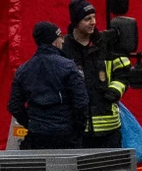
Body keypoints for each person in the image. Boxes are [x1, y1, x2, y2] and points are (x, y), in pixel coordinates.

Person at [62, 0, 132, 148]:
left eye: (94, 17)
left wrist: (114, 91)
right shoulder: (64, 49)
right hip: (78, 130)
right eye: (87, 19)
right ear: (76, 22)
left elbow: (124, 73)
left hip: (109, 128)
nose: (93, 22)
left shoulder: (106, 44)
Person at [9, 21, 90, 150]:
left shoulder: (23, 70)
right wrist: (77, 130)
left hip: (37, 136)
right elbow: (81, 103)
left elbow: (14, 105)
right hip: (66, 136)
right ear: (54, 41)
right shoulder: (68, 67)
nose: (63, 41)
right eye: (60, 37)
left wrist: (31, 124)